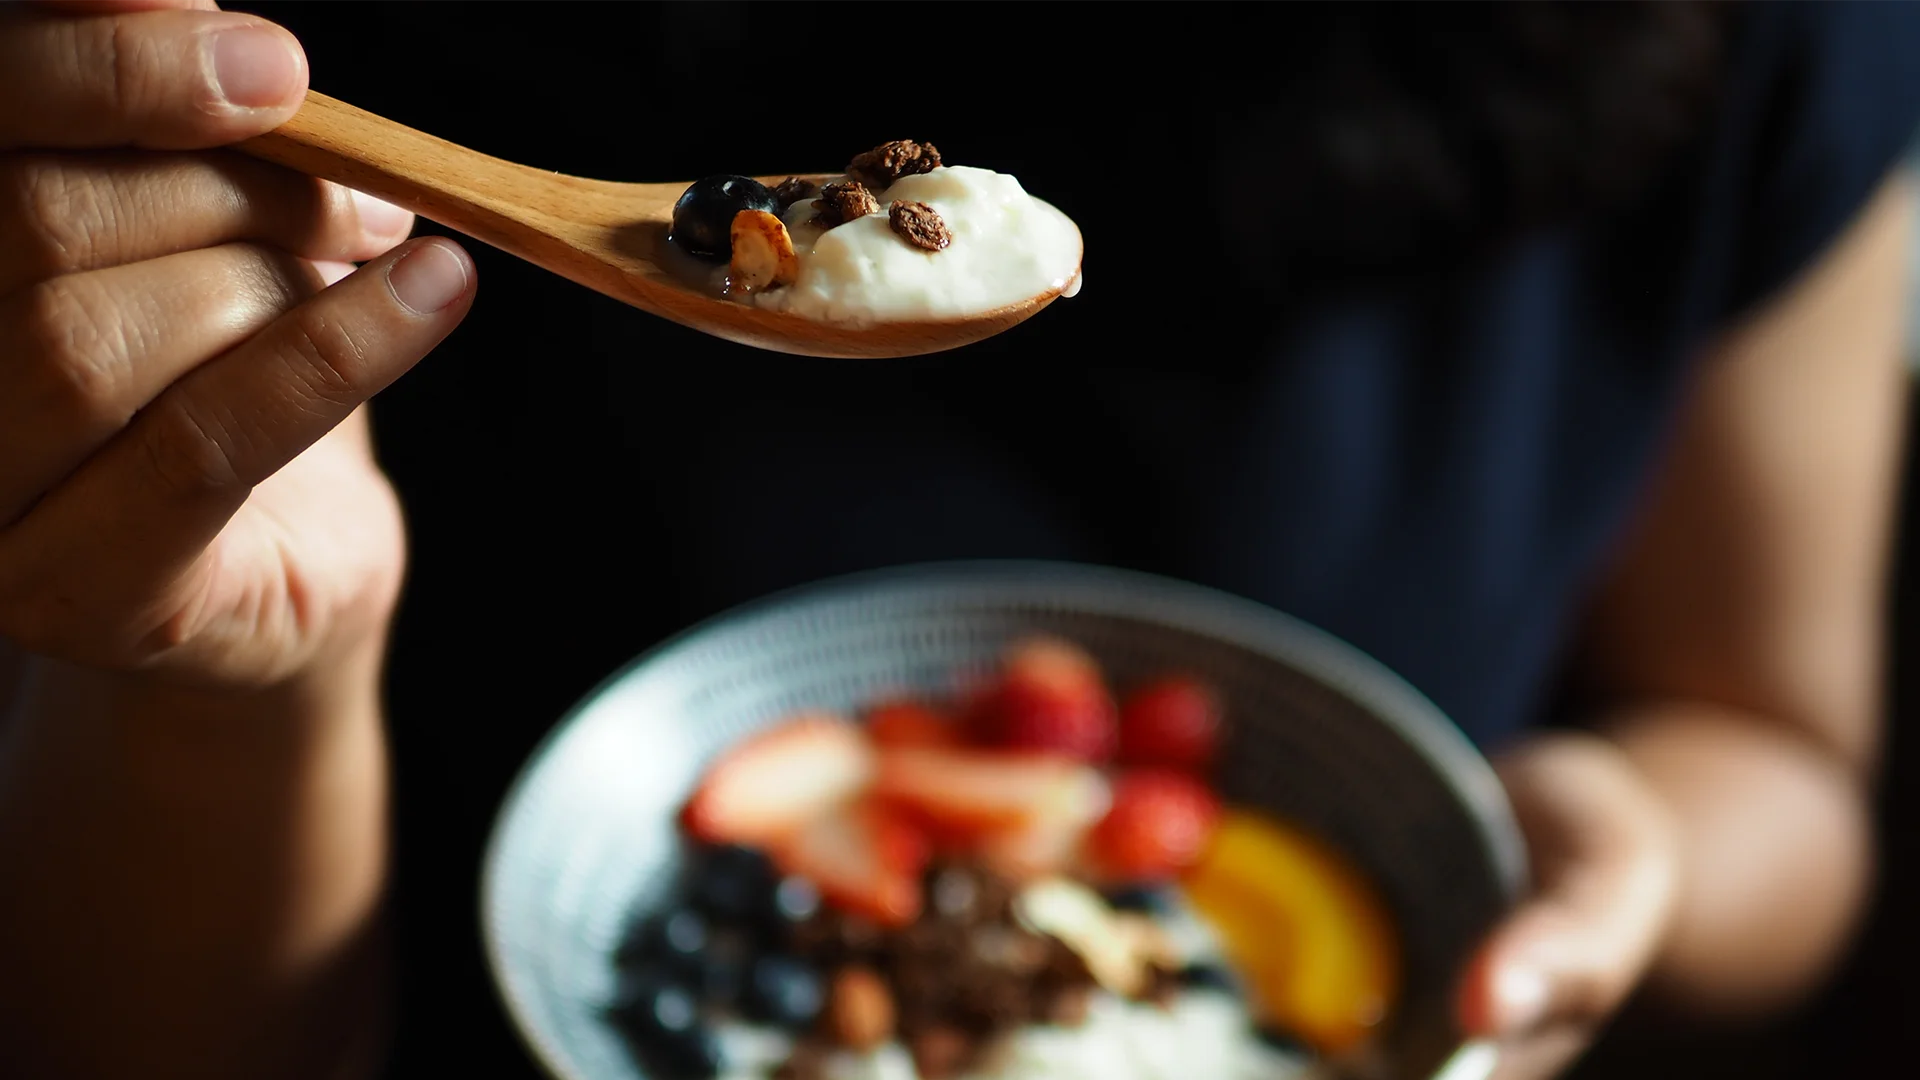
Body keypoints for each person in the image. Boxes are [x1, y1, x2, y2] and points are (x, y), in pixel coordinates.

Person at [0, 1, 1915, 1078]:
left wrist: (1636, 849)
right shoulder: (323, 76)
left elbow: (1776, 752)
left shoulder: (1766, 49)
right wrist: (244, 681)